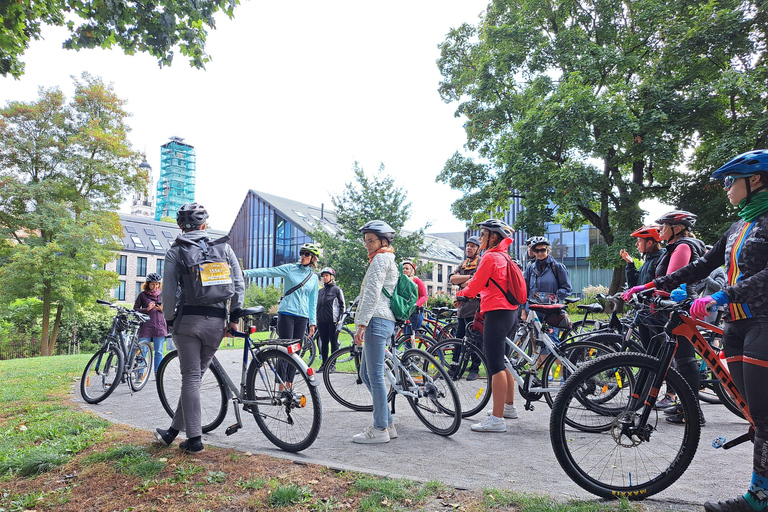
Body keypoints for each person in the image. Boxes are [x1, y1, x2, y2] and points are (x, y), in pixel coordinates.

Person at [630, 150, 768, 512]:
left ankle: (759, 497)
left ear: (754, 180)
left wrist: (724, 294)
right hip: (735, 325)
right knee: (753, 411)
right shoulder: (738, 226)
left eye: (729, 180)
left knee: (765, 414)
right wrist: (649, 286)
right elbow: (702, 265)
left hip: (764, 322)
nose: (725, 188)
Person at [154, 202, 244, 454]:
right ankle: (172, 431)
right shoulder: (223, 247)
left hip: (188, 322)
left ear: (181, 226)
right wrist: (233, 317)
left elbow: (169, 291)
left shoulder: (176, 251)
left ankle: (194, 439)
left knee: (191, 378)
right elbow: (238, 284)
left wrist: (169, 319)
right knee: (194, 378)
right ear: (204, 225)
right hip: (216, 323)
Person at [623, 210, 706, 422]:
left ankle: (693, 412)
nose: (660, 229)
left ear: (676, 229)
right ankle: (686, 407)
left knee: (685, 360)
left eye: (664, 226)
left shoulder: (683, 246)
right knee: (681, 358)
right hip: (674, 306)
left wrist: (645, 289)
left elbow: (672, 279)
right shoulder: (676, 245)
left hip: (681, 306)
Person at [456, 219, 522, 432]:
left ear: (494, 237)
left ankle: (497, 419)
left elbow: (475, 284)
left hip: (496, 313)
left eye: (483, 234)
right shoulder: (504, 256)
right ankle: (508, 407)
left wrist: (461, 294)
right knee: (505, 362)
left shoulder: (490, 257)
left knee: (495, 366)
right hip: (511, 312)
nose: (481, 238)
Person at [353, 220, 400, 444]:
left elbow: (372, 292)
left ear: (383, 240)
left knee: (375, 377)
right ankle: (387, 422)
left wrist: (362, 324)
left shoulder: (380, 259)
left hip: (376, 320)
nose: (367, 245)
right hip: (383, 319)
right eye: (365, 241)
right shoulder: (387, 258)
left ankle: (379, 428)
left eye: (371, 241)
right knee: (366, 375)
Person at [244, 242, 320, 380]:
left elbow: (312, 302)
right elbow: (267, 271)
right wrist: (244, 273)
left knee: (295, 353)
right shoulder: (290, 269)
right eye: (301, 253)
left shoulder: (314, 278)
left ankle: (289, 387)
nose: (303, 256)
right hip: (286, 314)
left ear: (313, 258)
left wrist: (313, 322)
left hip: (302, 317)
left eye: (307, 254)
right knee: (285, 350)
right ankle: (280, 385)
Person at [449, 235, 483, 380]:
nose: (469, 248)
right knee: (459, 339)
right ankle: (454, 367)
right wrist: (469, 279)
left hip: (476, 308)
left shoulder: (481, 262)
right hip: (462, 309)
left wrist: (464, 280)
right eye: (468, 246)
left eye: (473, 246)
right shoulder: (463, 264)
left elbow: (477, 281)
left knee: (476, 340)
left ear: (478, 249)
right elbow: (451, 278)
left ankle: (474, 369)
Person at [522, 236, 573, 328]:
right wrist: (523, 310)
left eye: (542, 250)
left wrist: (555, 298)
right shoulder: (530, 269)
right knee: (535, 340)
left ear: (548, 250)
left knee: (551, 340)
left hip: (551, 311)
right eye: (537, 251)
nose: (540, 253)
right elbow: (524, 290)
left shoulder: (557, 267)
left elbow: (567, 288)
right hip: (534, 311)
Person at [134, 272, 169, 374]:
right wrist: (146, 309)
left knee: (159, 352)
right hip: (146, 327)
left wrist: (163, 309)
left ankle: (158, 373)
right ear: (148, 284)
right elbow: (135, 310)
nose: (155, 286)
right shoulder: (142, 295)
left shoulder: (163, 295)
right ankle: (139, 373)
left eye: (157, 284)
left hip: (160, 327)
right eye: (153, 284)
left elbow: (170, 310)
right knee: (142, 351)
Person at [316, 267, 345, 372]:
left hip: (333, 321)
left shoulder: (337, 290)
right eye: (323, 276)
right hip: (322, 321)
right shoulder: (320, 291)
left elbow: (342, 306)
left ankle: (332, 365)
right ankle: (324, 364)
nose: (324, 278)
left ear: (332, 277)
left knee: (334, 343)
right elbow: (317, 306)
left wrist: (340, 320)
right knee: (324, 343)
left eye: (326, 276)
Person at [401, 260, 428, 336]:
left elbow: (424, 296)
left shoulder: (416, 280)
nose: (404, 270)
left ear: (412, 271)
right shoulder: (401, 281)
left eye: (407, 269)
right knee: (405, 336)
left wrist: (416, 305)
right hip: (406, 312)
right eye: (403, 268)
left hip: (415, 312)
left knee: (409, 337)